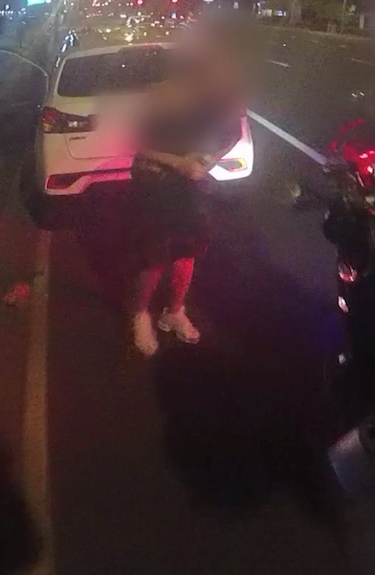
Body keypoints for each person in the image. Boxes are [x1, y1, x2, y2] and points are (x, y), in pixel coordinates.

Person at [128, 18, 247, 357]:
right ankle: (139, 315)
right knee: (152, 256)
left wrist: (207, 158)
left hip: (192, 185)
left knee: (187, 252)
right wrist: (179, 163)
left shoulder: (221, 98)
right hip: (156, 182)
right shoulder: (165, 92)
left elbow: (233, 135)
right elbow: (138, 144)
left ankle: (174, 310)